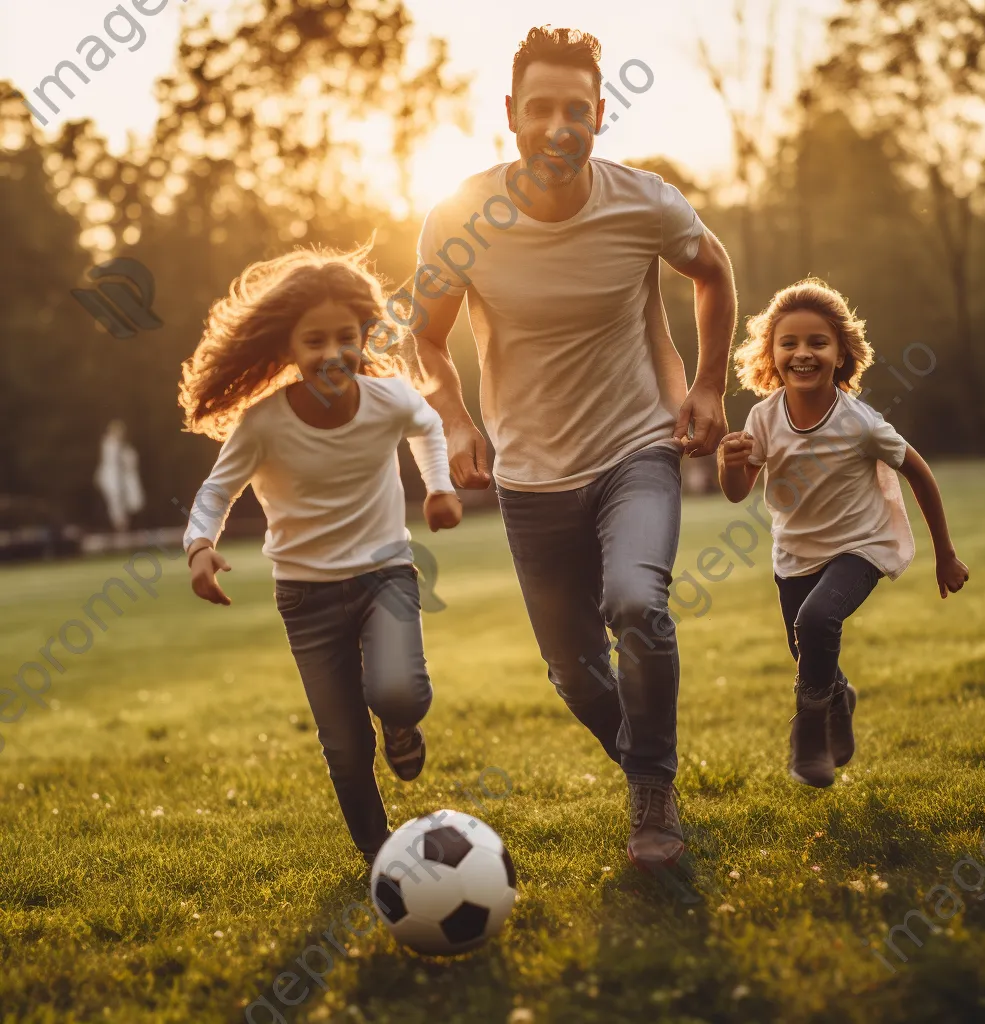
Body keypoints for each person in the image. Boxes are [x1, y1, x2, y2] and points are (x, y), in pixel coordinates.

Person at [412, 26, 737, 871]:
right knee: (573, 671)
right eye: (539, 109)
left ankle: (652, 798)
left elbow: (714, 270)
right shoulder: (460, 217)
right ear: (510, 115)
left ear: (599, 114)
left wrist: (708, 387)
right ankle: (646, 763)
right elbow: (427, 340)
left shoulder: (645, 204)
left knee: (637, 602)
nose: (558, 126)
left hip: (636, 447)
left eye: (575, 110)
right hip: (530, 474)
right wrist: (452, 418)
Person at [177, 247, 462, 863]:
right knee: (342, 744)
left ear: (365, 336)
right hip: (305, 599)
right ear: (288, 349)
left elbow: (429, 425)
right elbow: (216, 491)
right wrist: (201, 545)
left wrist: (438, 488)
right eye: (314, 341)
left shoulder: (387, 398)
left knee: (399, 692)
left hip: (385, 573)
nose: (332, 353)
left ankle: (403, 724)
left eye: (345, 337)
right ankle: (377, 853)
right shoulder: (263, 424)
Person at [718, 279, 969, 788]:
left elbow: (919, 473)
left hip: (861, 547)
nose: (803, 353)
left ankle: (809, 737)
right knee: (808, 651)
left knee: (817, 620)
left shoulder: (861, 423)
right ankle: (838, 697)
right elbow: (736, 492)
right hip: (794, 553)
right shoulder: (764, 418)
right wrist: (730, 462)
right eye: (789, 343)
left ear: (841, 353)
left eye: (817, 342)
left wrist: (945, 554)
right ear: (771, 353)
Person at [94, 419, 145, 533]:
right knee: (116, 503)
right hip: (112, 479)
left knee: (125, 504)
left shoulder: (123, 448)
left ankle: (124, 527)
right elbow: (109, 463)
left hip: (119, 479)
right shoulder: (109, 445)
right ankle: (120, 527)